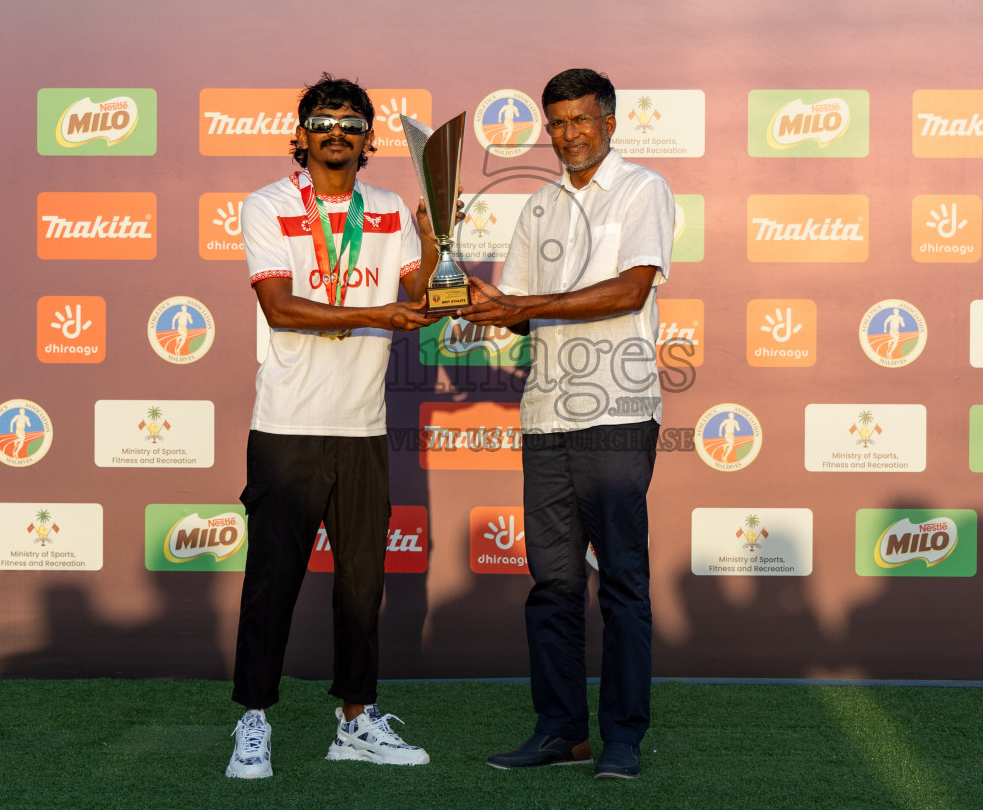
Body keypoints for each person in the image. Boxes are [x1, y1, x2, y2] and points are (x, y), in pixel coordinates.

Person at [459, 68, 675, 781]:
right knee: (551, 584)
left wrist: (530, 302)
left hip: (616, 412)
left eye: (582, 120)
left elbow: (630, 289)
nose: (569, 134)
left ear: (610, 122)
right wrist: (482, 301)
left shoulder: (643, 188)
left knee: (621, 582)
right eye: (557, 123)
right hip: (546, 414)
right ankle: (560, 730)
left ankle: (623, 737)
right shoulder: (541, 205)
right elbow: (522, 308)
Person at [226, 74, 442, 778]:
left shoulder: (385, 209)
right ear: (302, 135)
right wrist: (380, 316)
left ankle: (355, 719)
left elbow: (423, 298)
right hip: (286, 426)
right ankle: (253, 722)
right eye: (324, 120)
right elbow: (282, 309)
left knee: (360, 586)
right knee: (272, 583)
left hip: (362, 429)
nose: (338, 131)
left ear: (369, 139)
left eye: (352, 122)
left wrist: (437, 236)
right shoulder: (266, 206)